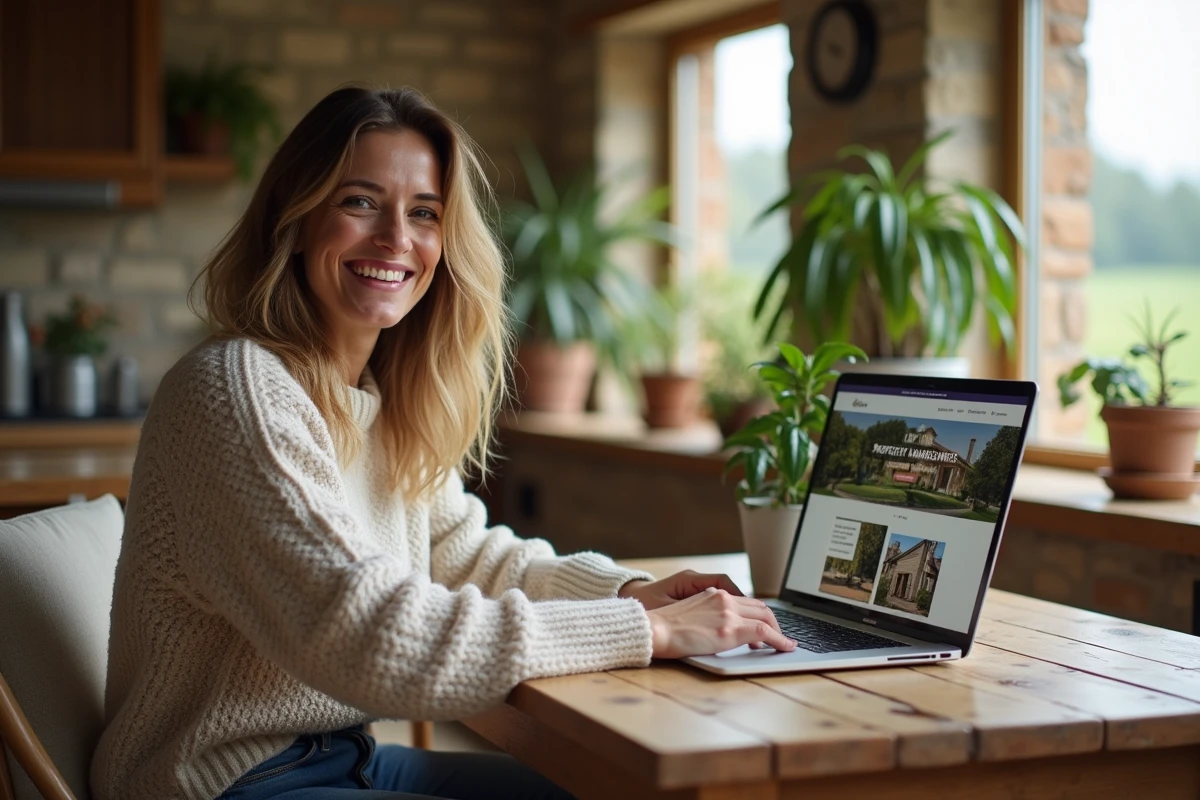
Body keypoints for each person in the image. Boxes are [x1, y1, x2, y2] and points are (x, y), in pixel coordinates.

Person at [90, 85, 795, 800]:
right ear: (296, 220)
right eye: (360, 201)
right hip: (219, 781)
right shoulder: (234, 391)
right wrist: (649, 633)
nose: (397, 239)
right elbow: (370, 637)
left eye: (424, 213)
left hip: (344, 759)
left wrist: (632, 594)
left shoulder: (375, 398)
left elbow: (469, 559)